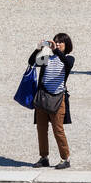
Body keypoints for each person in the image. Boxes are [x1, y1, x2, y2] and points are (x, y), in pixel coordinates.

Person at [29, 33, 74, 169]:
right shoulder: (47, 58)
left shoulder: (68, 58)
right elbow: (31, 62)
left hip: (58, 98)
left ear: (67, 45)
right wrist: (38, 49)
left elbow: (67, 64)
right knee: (41, 129)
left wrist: (55, 50)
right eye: (55, 42)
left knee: (58, 129)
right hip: (42, 97)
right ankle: (44, 157)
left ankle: (65, 158)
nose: (57, 44)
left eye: (61, 42)